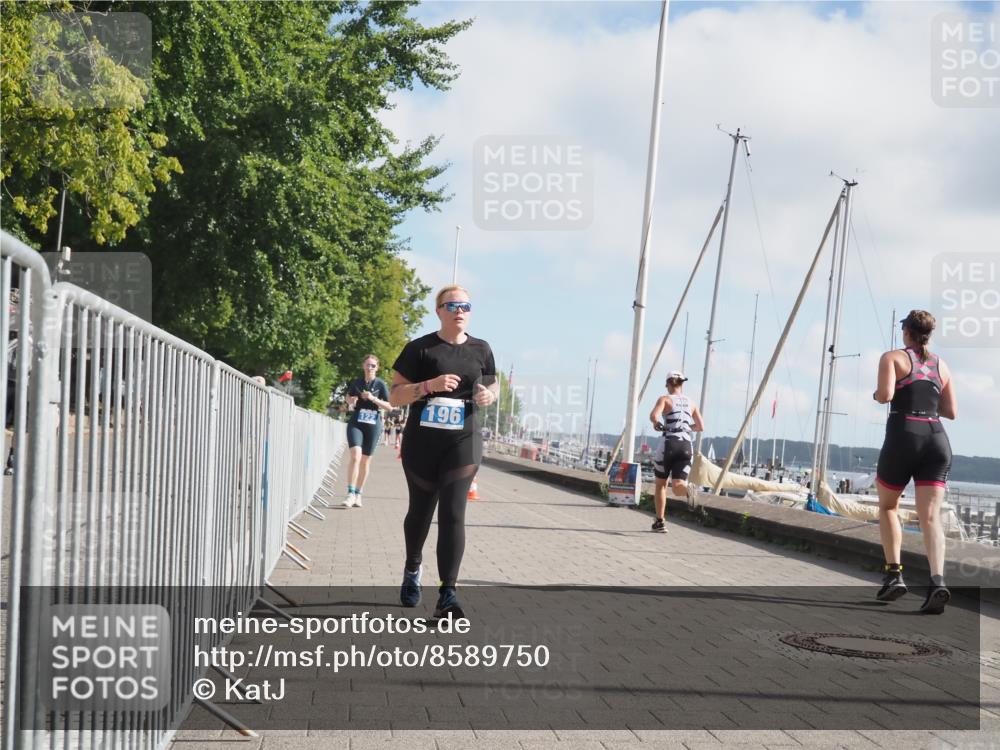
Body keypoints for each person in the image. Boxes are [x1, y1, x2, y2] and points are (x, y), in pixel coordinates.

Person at [389, 285, 498, 619]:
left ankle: (447, 594)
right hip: (422, 442)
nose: (459, 310)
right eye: (452, 305)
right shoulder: (420, 348)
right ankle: (412, 567)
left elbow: (492, 383)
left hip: (463, 441)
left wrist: (490, 395)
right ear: (438, 311)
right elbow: (395, 396)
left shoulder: (481, 348)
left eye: (465, 305)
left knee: (453, 512)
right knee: (420, 512)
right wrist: (428, 386)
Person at [873, 310, 957, 614]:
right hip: (937, 438)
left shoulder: (892, 358)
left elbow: (885, 395)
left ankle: (894, 575)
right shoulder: (941, 365)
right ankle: (937, 582)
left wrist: (876, 394)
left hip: (904, 434)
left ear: (906, 331)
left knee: (888, 506)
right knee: (930, 517)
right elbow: (951, 411)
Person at [648, 371, 704, 533]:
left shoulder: (665, 399)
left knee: (661, 485)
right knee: (678, 485)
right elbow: (700, 426)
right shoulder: (691, 402)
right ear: (682, 384)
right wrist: (686, 427)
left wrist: (656, 423)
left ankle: (660, 522)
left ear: (668, 384)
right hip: (686, 446)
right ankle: (688, 489)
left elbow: (653, 416)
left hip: (669, 444)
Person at [343, 354, 392, 508]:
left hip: (373, 424)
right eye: (367, 365)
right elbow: (348, 397)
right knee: (355, 456)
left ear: (377, 368)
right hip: (356, 422)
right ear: (363, 366)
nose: (370, 368)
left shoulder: (381, 384)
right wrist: (351, 400)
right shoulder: (357, 382)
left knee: (365, 460)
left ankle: (358, 494)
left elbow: (390, 406)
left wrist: (373, 398)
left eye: (373, 365)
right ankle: (350, 493)